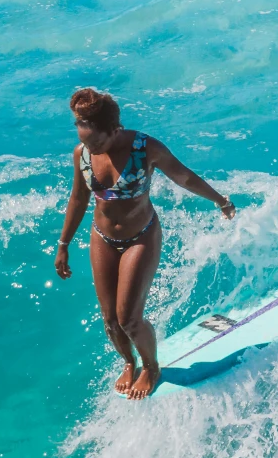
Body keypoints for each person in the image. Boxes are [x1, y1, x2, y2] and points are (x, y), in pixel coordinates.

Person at [54, 88, 236, 400]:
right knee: (110, 322)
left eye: (97, 141)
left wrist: (220, 200)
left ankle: (151, 366)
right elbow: (78, 197)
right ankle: (129, 362)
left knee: (129, 319)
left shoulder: (144, 147)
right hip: (102, 237)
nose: (91, 148)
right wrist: (63, 244)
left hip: (141, 237)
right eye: (85, 140)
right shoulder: (82, 153)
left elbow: (184, 177)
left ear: (114, 129)